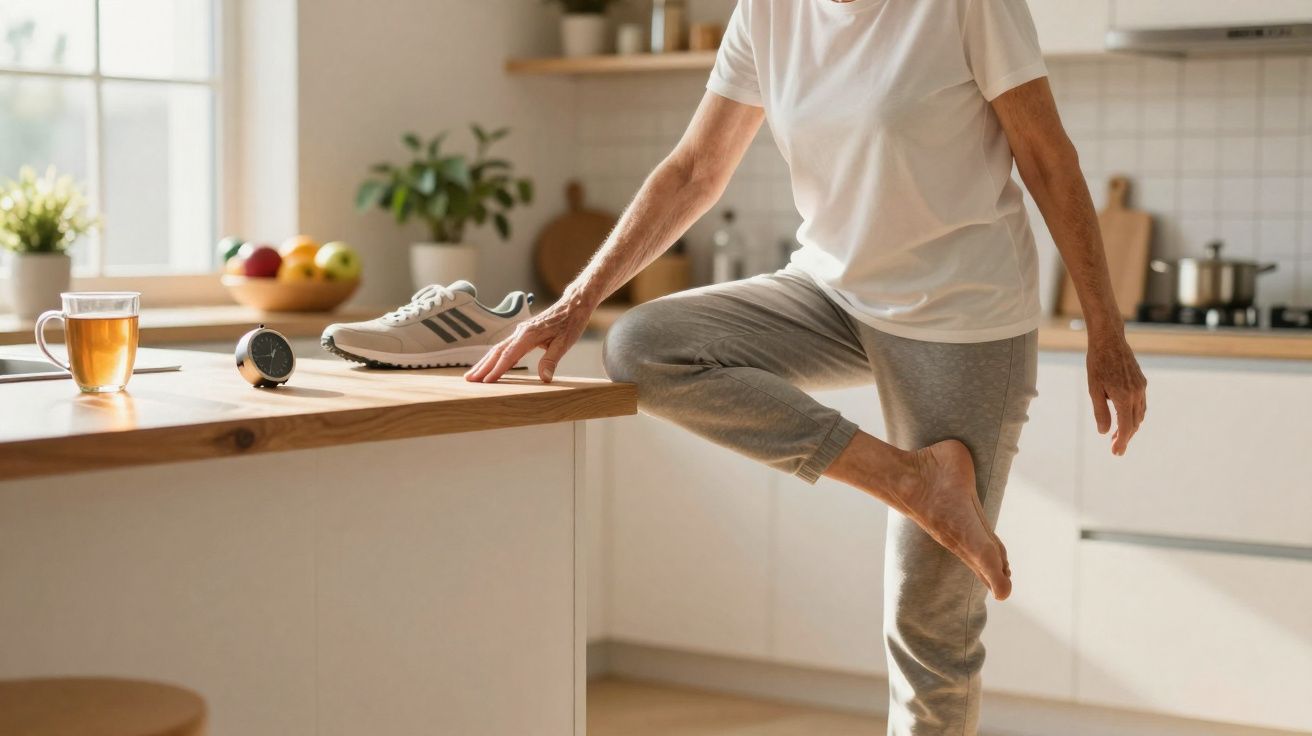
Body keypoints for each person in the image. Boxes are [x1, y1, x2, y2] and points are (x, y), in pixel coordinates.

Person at [466, 0, 1147, 732]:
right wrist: (574, 301)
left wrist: (1104, 328)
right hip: (831, 292)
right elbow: (696, 170)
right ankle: (916, 481)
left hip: (963, 314)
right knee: (642, 347)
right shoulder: (766, 10)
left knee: (930, 617)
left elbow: (1048, 156)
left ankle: (930, 503)